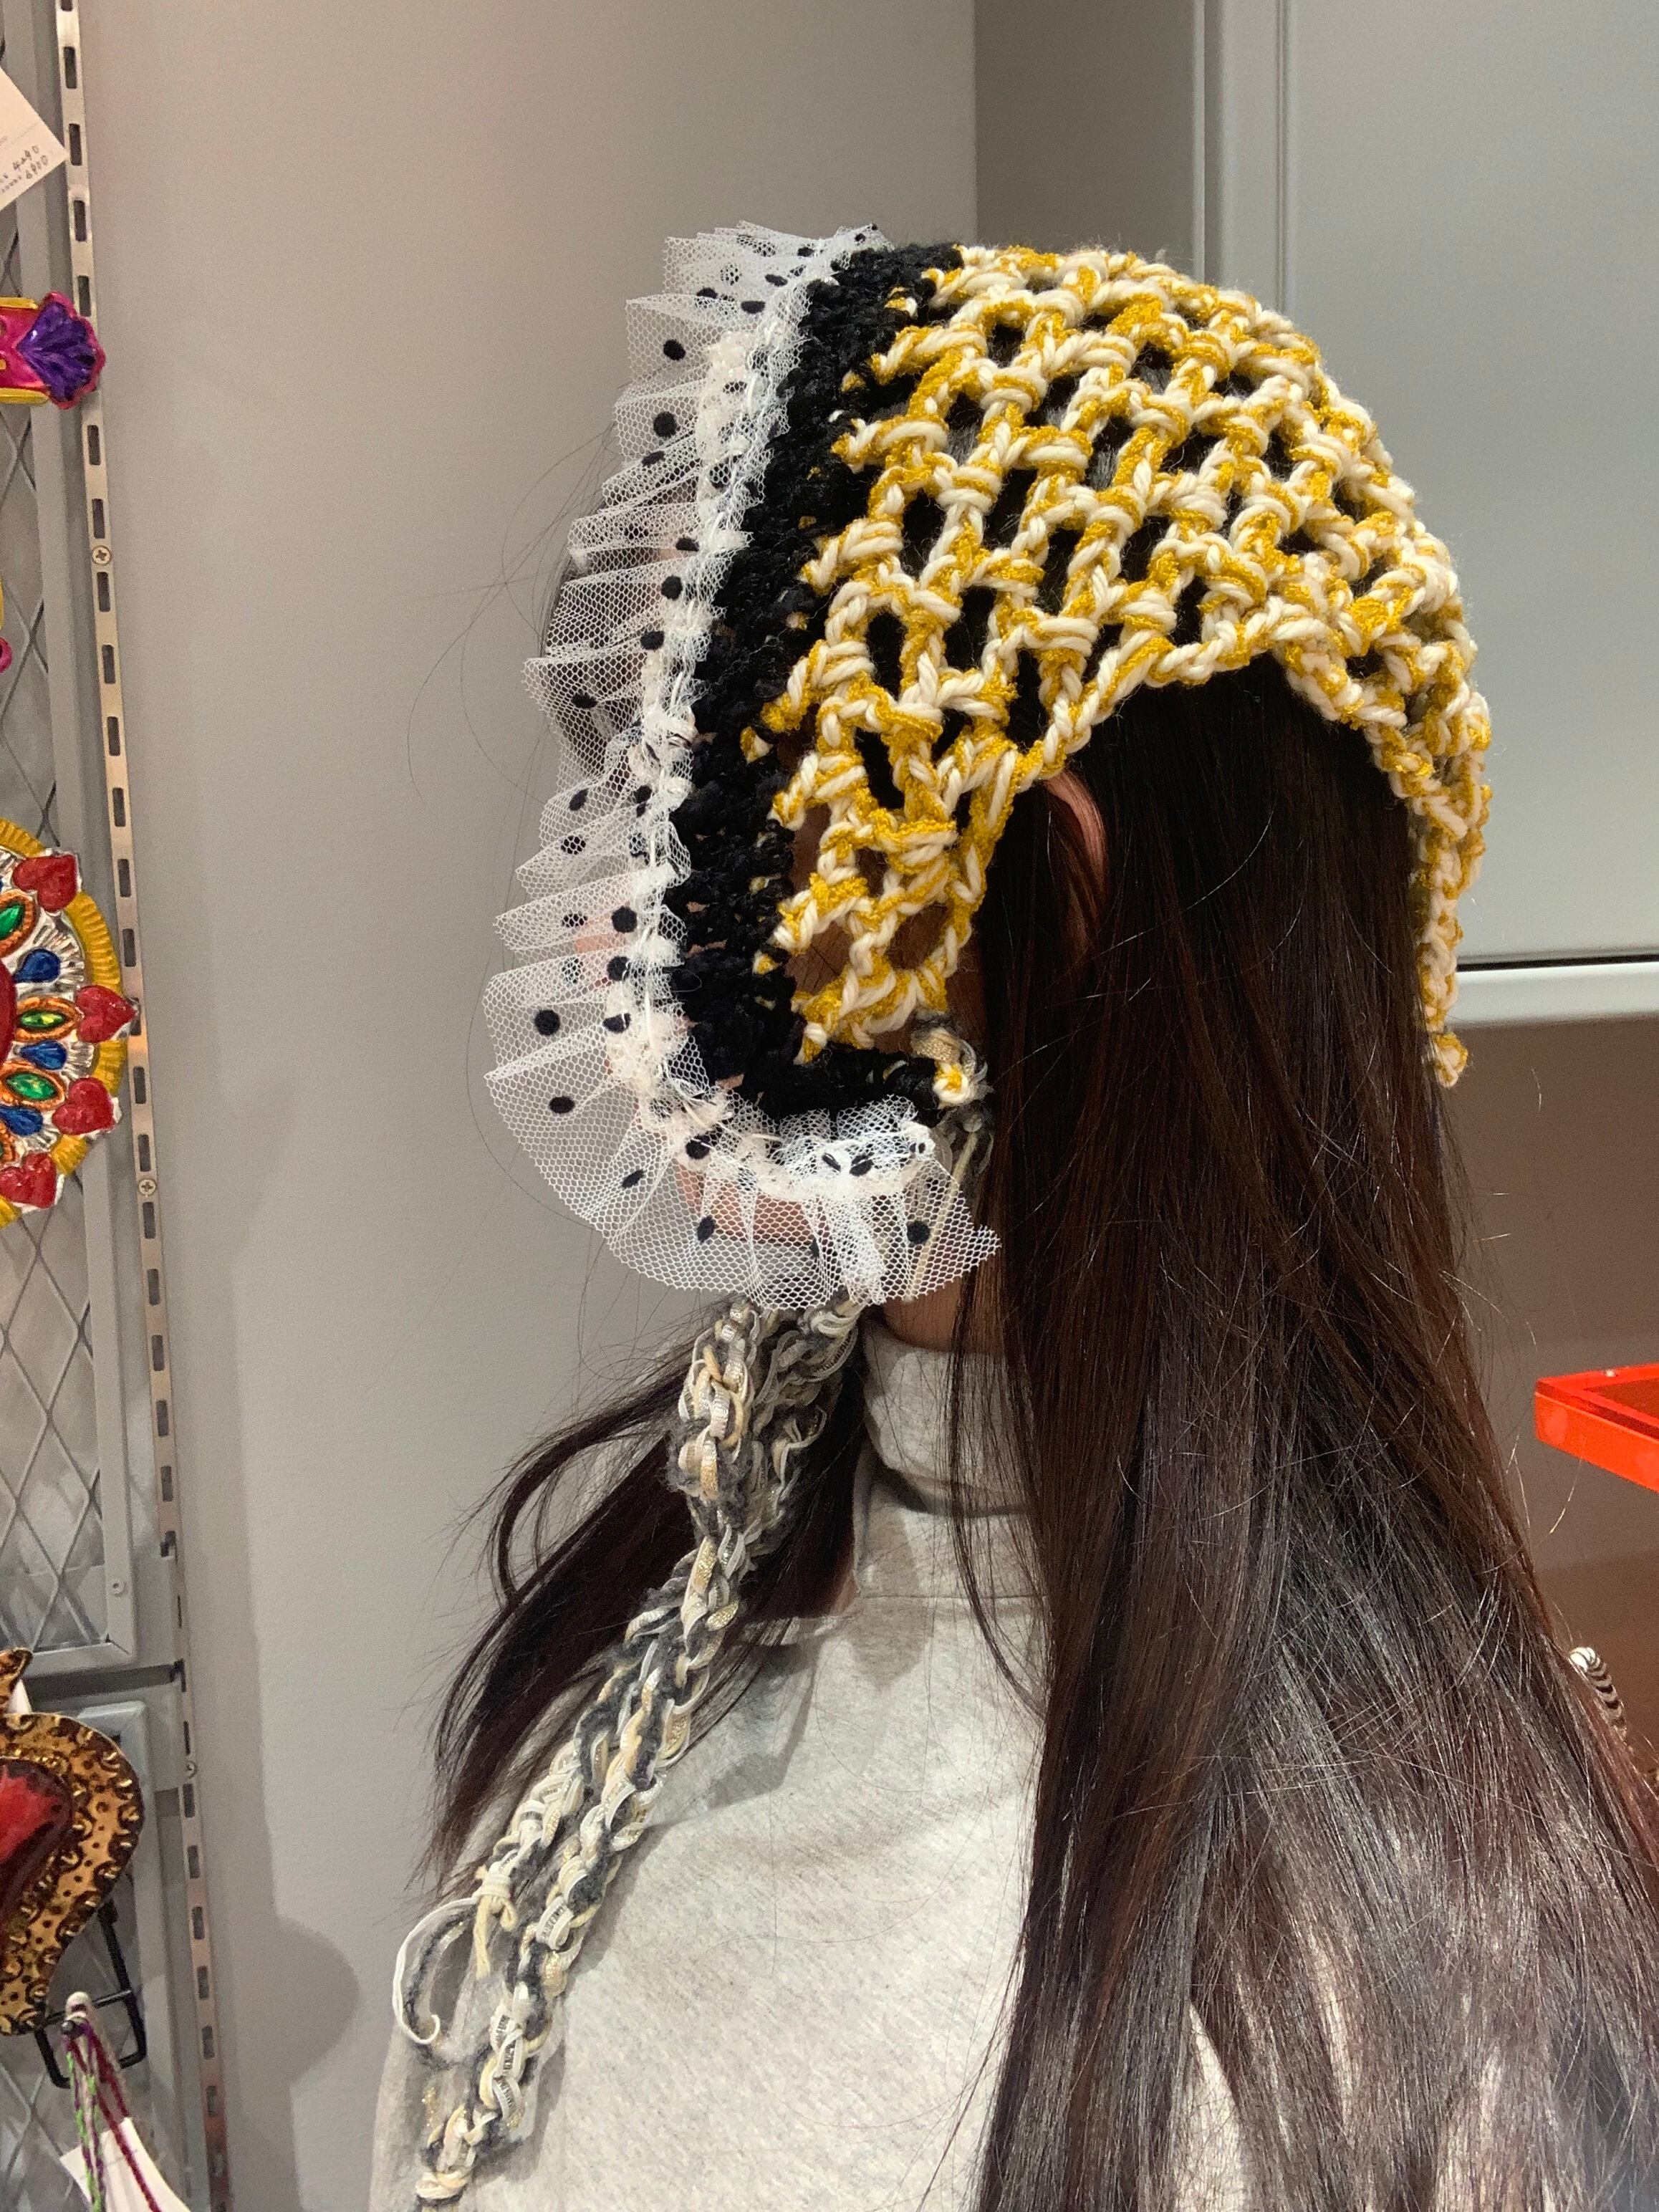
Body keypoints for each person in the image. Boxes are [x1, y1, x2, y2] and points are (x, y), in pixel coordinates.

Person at [370, 226, 1659, 2211]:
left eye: (690, 801)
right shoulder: (718, 1527)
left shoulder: (1303, 2038)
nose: (605, 907)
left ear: (1033, 899)